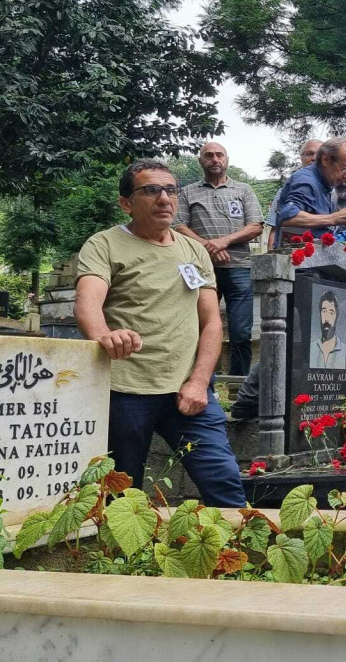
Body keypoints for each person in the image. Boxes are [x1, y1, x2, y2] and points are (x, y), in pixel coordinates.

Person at [75, 159, 247, 507]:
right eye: (151, 190)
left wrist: (199, 382)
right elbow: (87, 302)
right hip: (125, 390)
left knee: (225, 486)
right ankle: (118, 562)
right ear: (127, 203)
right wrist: (104, 335)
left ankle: (237, 561)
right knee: (120, 495)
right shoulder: (104, 245)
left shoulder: (194, 251)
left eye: (170, 190)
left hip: (188, 391)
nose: (165, 198)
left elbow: (212, 322)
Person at [174, 141, 264, 377]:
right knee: (197, 328)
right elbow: (178, 227)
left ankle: (238, 386)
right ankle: (200, 382)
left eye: (219, 155)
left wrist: (223, 242)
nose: (215, 159)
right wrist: (209, 248)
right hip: (200, 270)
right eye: (209, 155)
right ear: (200, 161)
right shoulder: (187, 192)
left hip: (239, 268)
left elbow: (256, 226)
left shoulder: (243, 190)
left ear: (227, 159)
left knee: (241, 332)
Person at [275, 138, 346, 244]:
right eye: (344, 167)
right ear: (325, 160)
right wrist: (332, 218)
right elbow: (287, 218)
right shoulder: (307, 181)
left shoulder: (324, 183)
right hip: (293, 257)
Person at [263, 138, 321, 247]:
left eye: (319, 154)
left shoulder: (333, 193)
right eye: (309, 154)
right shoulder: (283, 192)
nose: (314, 158)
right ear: (301, 158)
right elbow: (275, 230)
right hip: (288, 256)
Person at [311, 290, 344, 369]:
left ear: (336, 317)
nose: (327, 319)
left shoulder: (345, 351)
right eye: (324, 311)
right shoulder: (312, 348)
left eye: (331, 313)